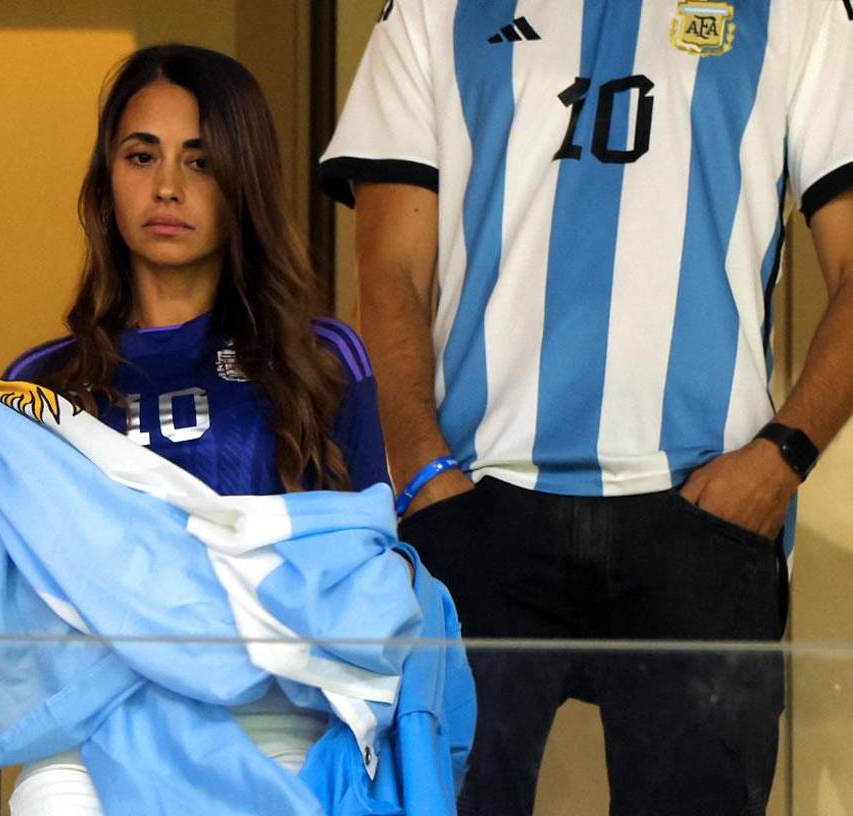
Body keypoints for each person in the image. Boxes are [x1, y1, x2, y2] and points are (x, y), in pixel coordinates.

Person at [321, 1, 853, 814]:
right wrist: (422, 472)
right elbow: (389, 266)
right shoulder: (434, 5)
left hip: (707, 511)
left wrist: (782, 458)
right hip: (474, 504)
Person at [0, 44, 390, 815]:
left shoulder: (318, 359)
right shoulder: (43, 383)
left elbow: (371, 565)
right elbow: (7, 597)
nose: (168, 187)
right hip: (89, 736)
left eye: (201, 160)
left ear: (243, 178)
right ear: (106, 180)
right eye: (140, 155)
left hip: (272, 724)